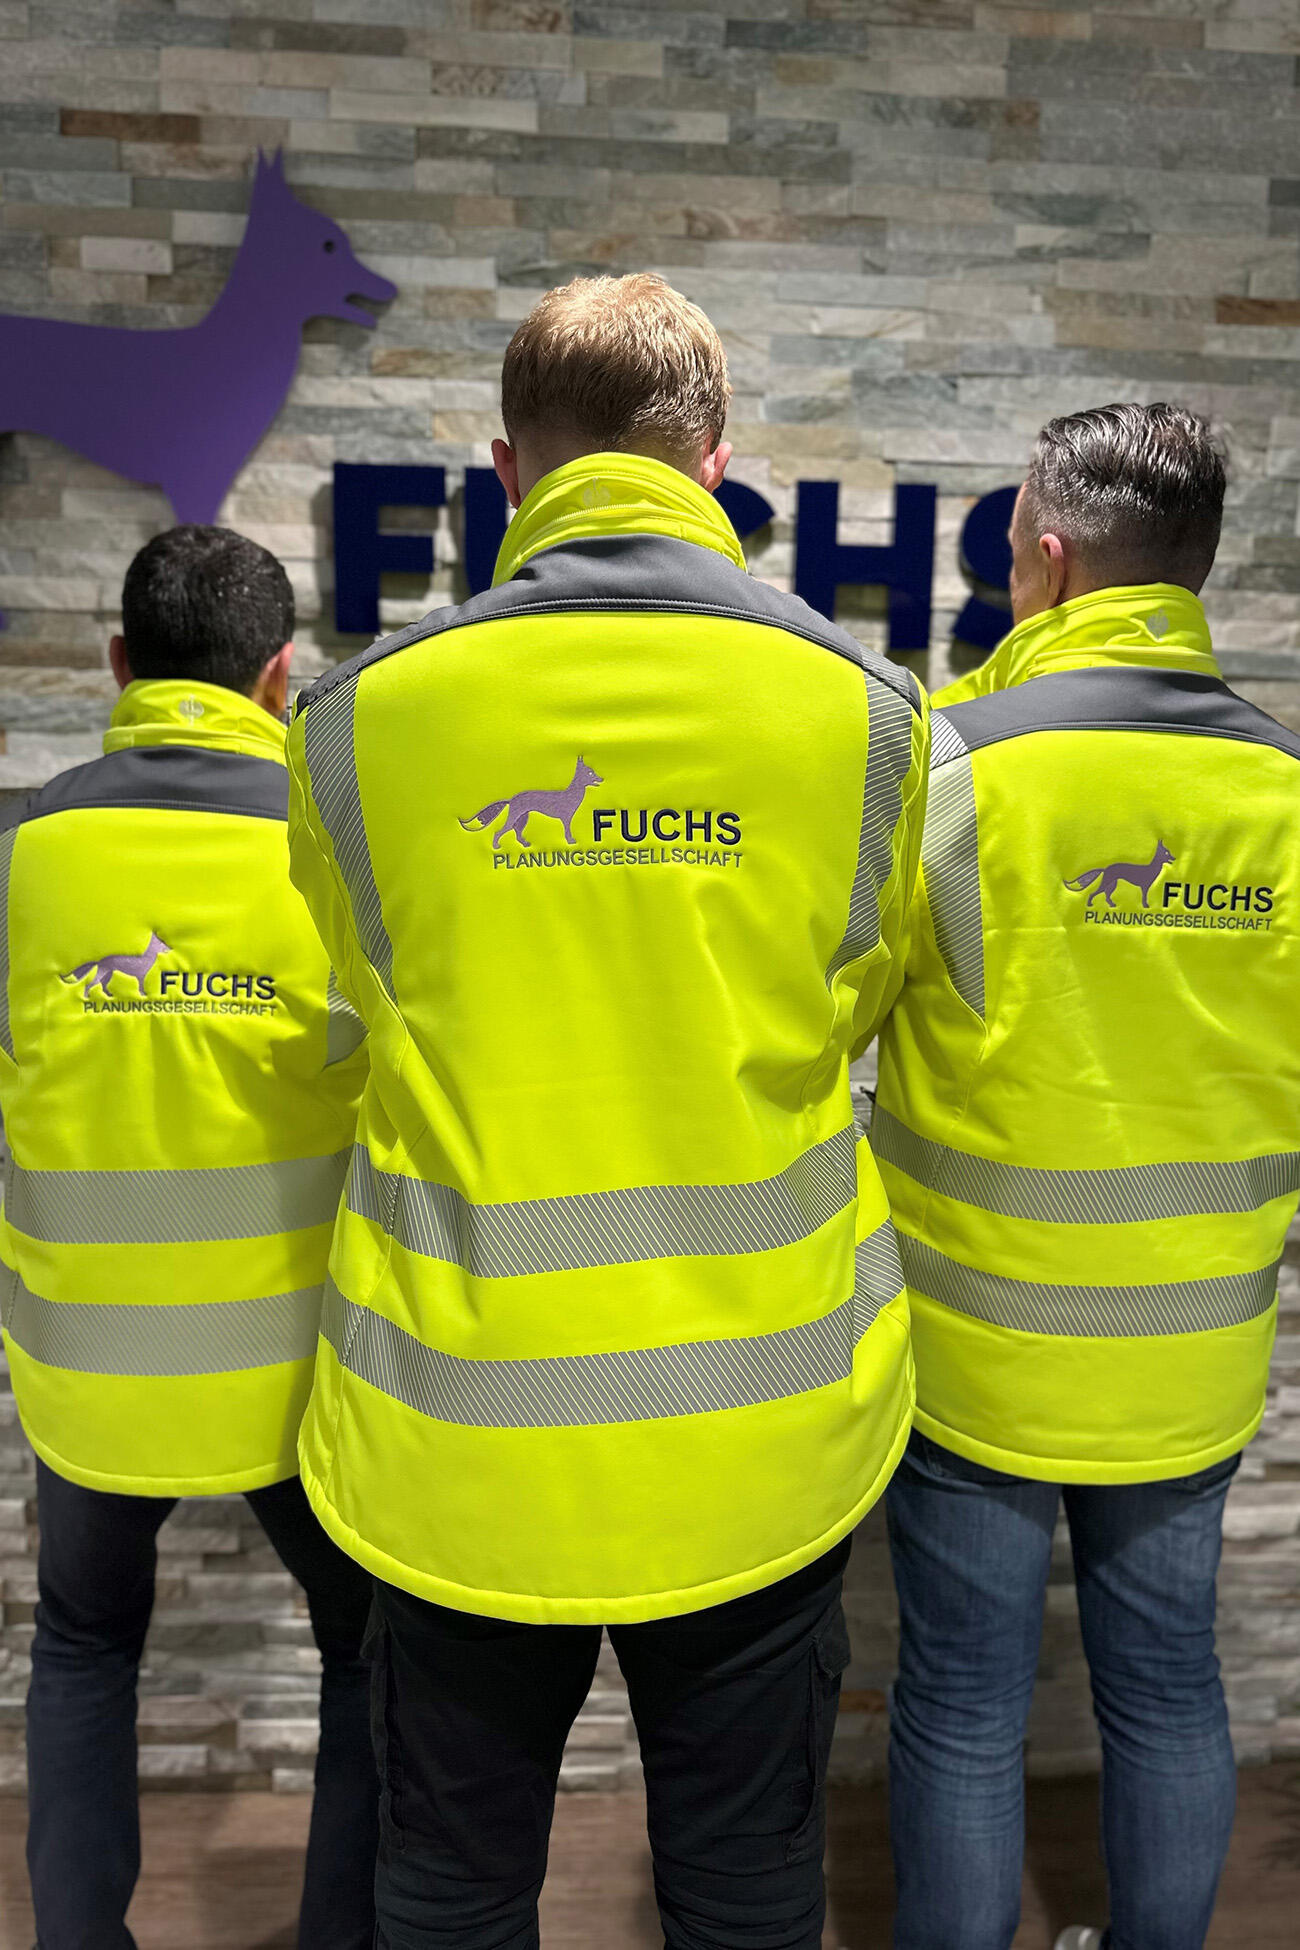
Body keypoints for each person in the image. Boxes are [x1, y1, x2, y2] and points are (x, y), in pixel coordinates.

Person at [286, 272, 930, 1950]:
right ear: (715, 463)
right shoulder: (872, 719)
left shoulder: (353, 720)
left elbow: (364, 989)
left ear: (509, 469)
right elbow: (857, 1001)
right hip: (760, 1442)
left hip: (456, 1437)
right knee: (746, 1893)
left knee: (450, 1892)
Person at [874, 402, 1300, 1950]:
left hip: (977, 1341)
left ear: (1047, 560)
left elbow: (844, 1005)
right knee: (1172, 1683)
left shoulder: (948, 761)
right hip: (1193, 1344)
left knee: (963, 1697)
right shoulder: (1290, 787)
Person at [0, 527, 377, 1950]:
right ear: (280, 678)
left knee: (84, 1647)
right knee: (365, 1652)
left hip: (85, 1369)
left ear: (119, 662)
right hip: (293, 1375)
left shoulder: (21, 851)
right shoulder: (332, 848)